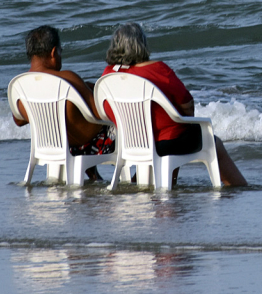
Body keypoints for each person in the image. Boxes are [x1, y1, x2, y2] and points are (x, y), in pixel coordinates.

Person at [101, 22, 247, 187]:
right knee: (213, 142)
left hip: (131, 142)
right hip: (167, 143)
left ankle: (164, 183)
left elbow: (105, 111)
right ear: (141, 44)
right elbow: (187, 104)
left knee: (174, 128)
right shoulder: (157, 69)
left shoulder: (109, 74)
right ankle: (238, 187)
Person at [12, 25, 114, 180]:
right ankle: (132, 179)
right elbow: (98, 112)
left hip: (51, 145)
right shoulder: (67, 78)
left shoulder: (20, 86)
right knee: (123, 123)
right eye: (60, 51)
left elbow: (18, 120)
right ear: (53, 52)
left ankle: (94, 176)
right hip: (87, 145)